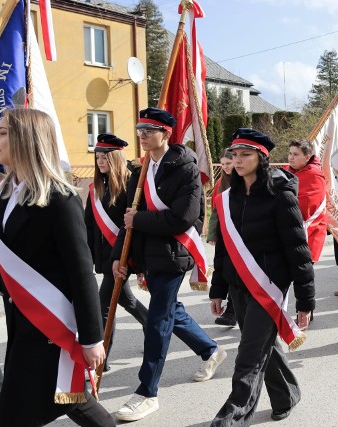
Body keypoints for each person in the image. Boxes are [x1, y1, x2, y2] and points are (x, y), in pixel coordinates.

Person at [0, 108, 114, 426]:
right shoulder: (7, 195)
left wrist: (92, 338)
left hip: (52, 325)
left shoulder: (59, 200)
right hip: (23, 319)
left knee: (25, 407)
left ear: (26, 139)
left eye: (3, 132)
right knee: (69, 397)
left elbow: (81, 273)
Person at [111, 107, 225, 422]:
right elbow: (128, 219)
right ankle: (211, 351)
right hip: (149, 255)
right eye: (139, 128)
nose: (142, 134)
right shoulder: (142, 168)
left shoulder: (185, 168)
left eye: (150, 129)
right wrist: (119, 260)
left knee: (158, 320)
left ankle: (147, 393)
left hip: (174, 254)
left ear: (167, 133)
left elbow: (182, 217)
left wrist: (141, 219)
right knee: (171, 310)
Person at [209, 128, 315, 424]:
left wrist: (305, 300)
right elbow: (223, 250)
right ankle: (286, 395)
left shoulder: (279, 195)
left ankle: (231, 418)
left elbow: (298, 249)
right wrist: (218, 290)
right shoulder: (227, 197)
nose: (238, 160)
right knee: (262, 346)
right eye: (234, 154)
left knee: (248, 357)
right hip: (238, 285)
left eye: (246, 154)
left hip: (268, 286)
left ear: (262, 158)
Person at [84, 133, 148, 372]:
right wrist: (89, 259)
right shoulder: (95, 189)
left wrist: (137, 264)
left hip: (124, 256)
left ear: (116, 158)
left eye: (105, 157)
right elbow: (88, 226)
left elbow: (132, 226)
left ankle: (101, 360)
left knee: (103, 306)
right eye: (97, 157)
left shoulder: (131, 184)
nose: (100, 161)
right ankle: (150, 323)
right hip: (104, 256)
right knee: (126, 301)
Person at [285, 139, 328, 264]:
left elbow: (306, 207)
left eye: (296, 154)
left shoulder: (315, 175)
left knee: (303, 278)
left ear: (307, 157)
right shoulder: (286, 171)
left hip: (308, 234)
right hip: (289, 233)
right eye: (290, 153)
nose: (291, 157)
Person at [207, 149, 236, 327]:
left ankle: (233, 312)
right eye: (223, 164)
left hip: (241, 235)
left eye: (228, 163)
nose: (225, 167)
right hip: (226, 235)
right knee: (227, 272)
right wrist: (212, 234)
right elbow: (215, 212)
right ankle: (232, 312)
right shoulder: (221, 183)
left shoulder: (244, 181)